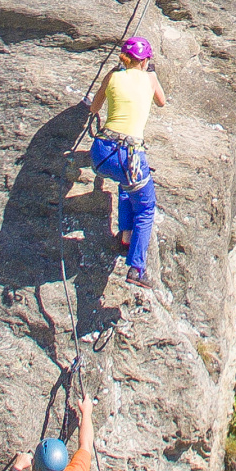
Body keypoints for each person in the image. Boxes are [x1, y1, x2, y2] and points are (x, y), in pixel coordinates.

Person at [85, 36, 165, 291]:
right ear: (145, 61)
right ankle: (137, 267)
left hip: (101, 154)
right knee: (146, 207)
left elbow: (94, 107)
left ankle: (126, 236)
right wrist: (150, 74)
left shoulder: (112, 76)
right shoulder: (150, 78)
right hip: (129, 156)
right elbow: (161, 101)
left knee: (125, 183)